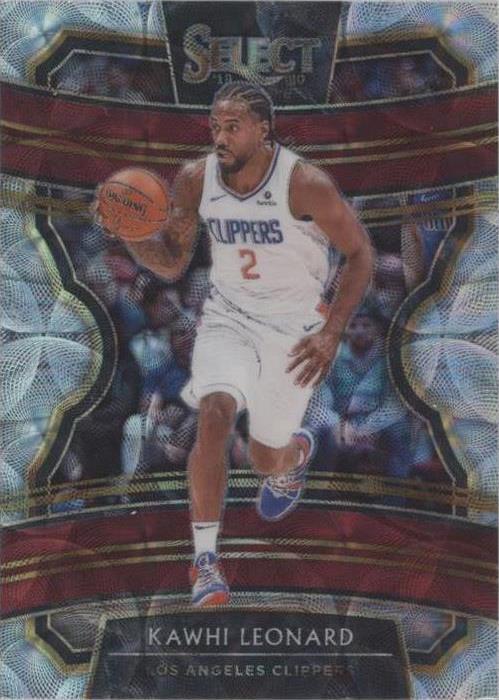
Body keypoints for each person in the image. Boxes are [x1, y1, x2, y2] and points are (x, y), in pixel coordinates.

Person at [95, 81, 373, 607]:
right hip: (228, 317)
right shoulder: (195, 178)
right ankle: (205, 562)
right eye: (214, 127)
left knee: (266, 460)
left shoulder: (304, 183)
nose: (219, 137)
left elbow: (360, 255)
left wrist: (332, 331)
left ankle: (293, 456)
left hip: (293, 329)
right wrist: (131, 233)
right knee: (215, 413)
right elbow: (172, 262)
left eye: (232, 127)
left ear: (264, 130)